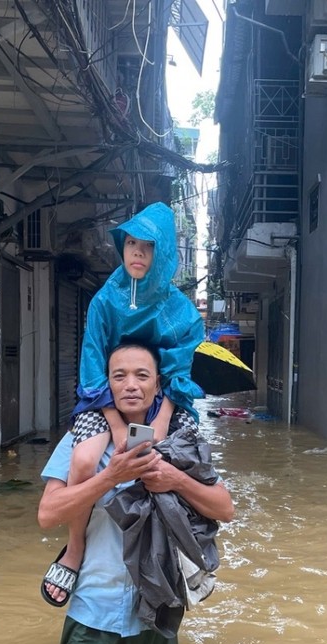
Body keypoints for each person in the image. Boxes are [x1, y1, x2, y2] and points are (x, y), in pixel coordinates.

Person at [41, 202, 204, 606]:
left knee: (182, 467)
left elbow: (181, 369)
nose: (135, 253)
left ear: (162, 254)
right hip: (106, 400)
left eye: (146, 247)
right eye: (130, 244)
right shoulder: (104, 301)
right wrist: (114, 423)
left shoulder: (181, 311)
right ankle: (75, 548)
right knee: (83, 461)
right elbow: (93, 365)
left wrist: (164, 415)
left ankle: (187, 557)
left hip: (165, 399)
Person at [38, 343, 234, 644]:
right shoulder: (82, 441)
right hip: (94, 602)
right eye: (120, 376)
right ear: (107, 386)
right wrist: (111, 477)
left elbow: (225, 509)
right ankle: (74, 553)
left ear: (157, 384)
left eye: (142, 376)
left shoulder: (180, 440)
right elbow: (47, 514)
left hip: (158, 605)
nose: (131, 385)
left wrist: (175, 479)